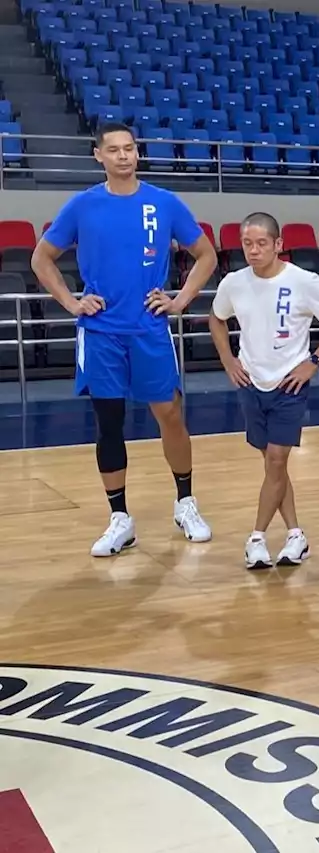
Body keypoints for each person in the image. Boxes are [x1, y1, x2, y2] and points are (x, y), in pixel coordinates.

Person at [31, 122, 219, 557]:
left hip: (150, 328)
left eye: (129, 148)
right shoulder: (82, 206)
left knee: (170, 414)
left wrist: (180, 299)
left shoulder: (163, 202)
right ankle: (120, 518)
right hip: (100, 332)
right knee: (109, 422)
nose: (123, 155)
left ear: (138, 153)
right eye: (113, 149)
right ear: (98, 155)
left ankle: (185, 502)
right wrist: (72, 303)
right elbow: (42, 258)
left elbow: (205, 254)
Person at [208, 213, 319, 568]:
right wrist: (228, 360)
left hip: (290, 384)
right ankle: (295, 535)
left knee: (276, 461)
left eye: (261, 243)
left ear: (278, 245)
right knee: (274, 466)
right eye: (247, 244)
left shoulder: (304, 280)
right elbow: (216, 317)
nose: (253, 251)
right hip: (251, 382)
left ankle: (256, 537)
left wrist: (313, 362)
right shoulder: (233, 282)